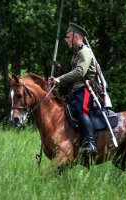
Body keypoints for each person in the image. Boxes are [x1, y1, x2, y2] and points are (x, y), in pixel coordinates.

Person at [50, 22, 97, 154]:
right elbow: (75, 73)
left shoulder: (85, 52)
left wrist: (60, 79)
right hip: (78, 88)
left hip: (86, 88)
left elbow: (80, 72)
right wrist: (57, 77)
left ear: (76, 37)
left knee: (80, 109)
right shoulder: (77, 54)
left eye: (68, 37)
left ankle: (91, 143)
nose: (66, 40)